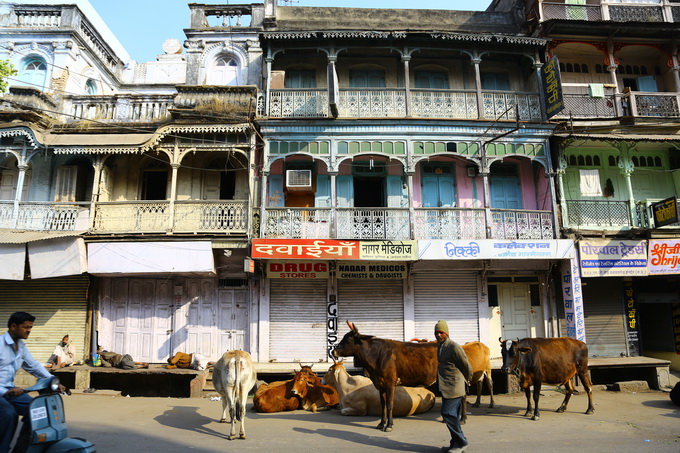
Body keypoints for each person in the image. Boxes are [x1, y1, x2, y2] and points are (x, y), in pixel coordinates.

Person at [1, 311, 65, 453]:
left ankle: (22, 448)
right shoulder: (0, 345)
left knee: (37, 410)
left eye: (30, 327)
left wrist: (52, 380)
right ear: (13, 326)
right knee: (8, 413)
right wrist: (4, 391)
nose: (29, 330)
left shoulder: (21, 346)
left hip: (11, 390)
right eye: (26, 327)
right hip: (2, 391)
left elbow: (33, 365)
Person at [435, 319, 472, 453]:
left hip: (455, 386)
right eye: (436, 333)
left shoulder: (454, 347)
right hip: (446, 386)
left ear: (447, 333)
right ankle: (455, 443)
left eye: (441, 332)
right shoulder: (440, 345)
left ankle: (462, 442)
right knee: (454, 416)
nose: (438, 335)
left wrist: (469, 379)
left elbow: (466, 365)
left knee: (447, 413)